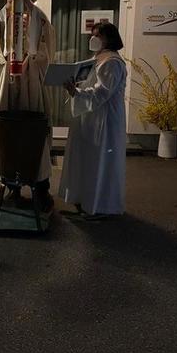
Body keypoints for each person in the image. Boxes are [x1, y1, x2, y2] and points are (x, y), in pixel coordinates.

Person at [0, 0, 56, 210]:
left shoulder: (37, 15)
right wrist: (9, 6)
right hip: (10, 85)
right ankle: (14, 188)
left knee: (35, 135)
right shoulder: (5, 14)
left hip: (32, 82)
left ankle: (41, 188)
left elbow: (46, 36)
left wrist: (29, 4)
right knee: (10, 135)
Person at [59, 22, 127, 219]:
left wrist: (76, 92)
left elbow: (102, 92)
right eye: (92, 34)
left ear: (109, 38)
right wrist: (76, 84)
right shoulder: (98, 58)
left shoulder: (112, 62)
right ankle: (86, 201)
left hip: (104, 119)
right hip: (91, 117)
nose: (93, 38)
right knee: (88, 160)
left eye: (97, 35)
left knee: (100, 161)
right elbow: (92, 83)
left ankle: (100, 207)